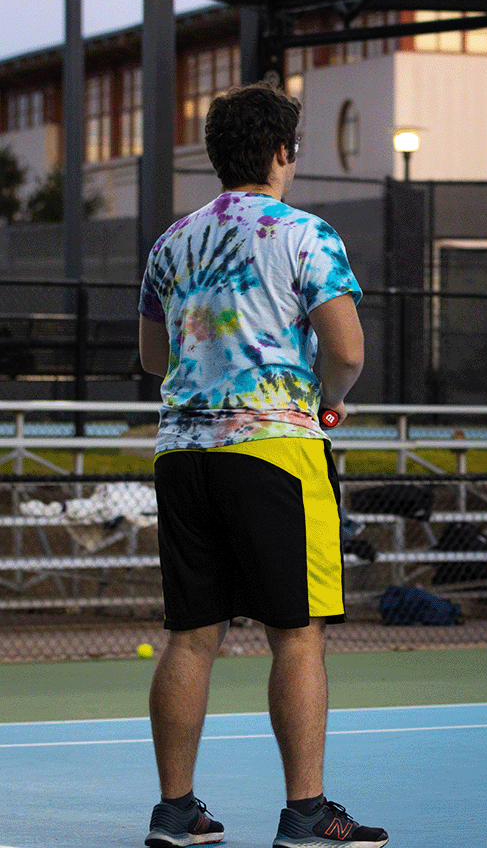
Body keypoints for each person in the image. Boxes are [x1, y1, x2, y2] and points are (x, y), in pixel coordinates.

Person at [137, 83, 388, 848]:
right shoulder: (303, 234)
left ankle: (176, 812)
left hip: (183, 453)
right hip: (275, 450)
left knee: (189, 635)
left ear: (216, 155)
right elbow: (345, 350)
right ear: (284, 151)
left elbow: (155, 357)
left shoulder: (172, 242)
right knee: (298, 633)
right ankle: (306, 815)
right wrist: (329, 399)